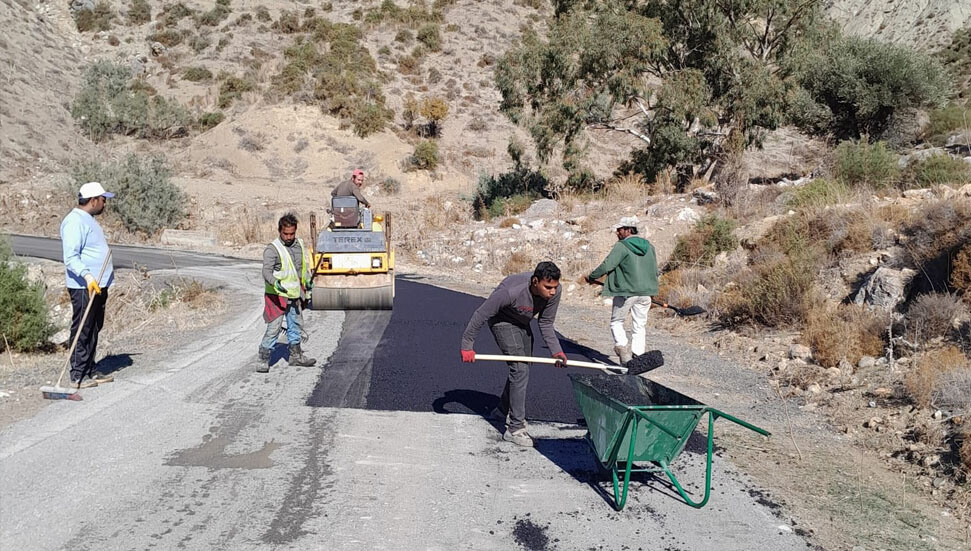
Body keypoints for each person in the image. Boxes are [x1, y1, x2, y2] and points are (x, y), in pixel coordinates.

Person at [460, 261, 568, 447]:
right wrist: (467, 345)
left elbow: (546, 323)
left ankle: (501, 410)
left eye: (554, 287)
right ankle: (515, 428)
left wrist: (556, 351)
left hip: (522, 323)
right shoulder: (511, 291)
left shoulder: (555, 292)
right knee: (519, 370)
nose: (552, 292)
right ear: (535, 281)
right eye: (547, 287)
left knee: (523, 370)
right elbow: (481, 314)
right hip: (502, 321)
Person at [60, 182, 116, 388]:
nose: (105, 204)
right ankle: (78, 374)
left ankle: (90, 369)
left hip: (98, 285)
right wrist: (87, 276)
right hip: (85, 286)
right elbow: (71, 257)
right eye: (103, 200)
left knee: (93, 327)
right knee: (83, 328)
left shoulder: (88, 219)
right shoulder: (74, 221)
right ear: (93, 200)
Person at [586, 216, 658, 366]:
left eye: (619, 230)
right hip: (645, 293)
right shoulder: (650, 247)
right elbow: (654, 270)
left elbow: (607, 265)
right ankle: (638, 357)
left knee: (616, 322)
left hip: (626, 292)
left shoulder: (622, 246)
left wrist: (592, 276)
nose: (617, 233)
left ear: (628, 230)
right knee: (639, 325)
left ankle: (623, 349)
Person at [258, 213, 316, 373]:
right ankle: (263, 359)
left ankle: (296, 357)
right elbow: (266, 272)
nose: (289, 237)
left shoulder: (299, 245)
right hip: (277, 296)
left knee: (295, 326)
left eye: (292, 233)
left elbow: (301, 268)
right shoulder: (273, 249)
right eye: (286, 233)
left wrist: (308, 281)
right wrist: (275, 283)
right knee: (274, 328)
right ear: (279, 231)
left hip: (295, 295)